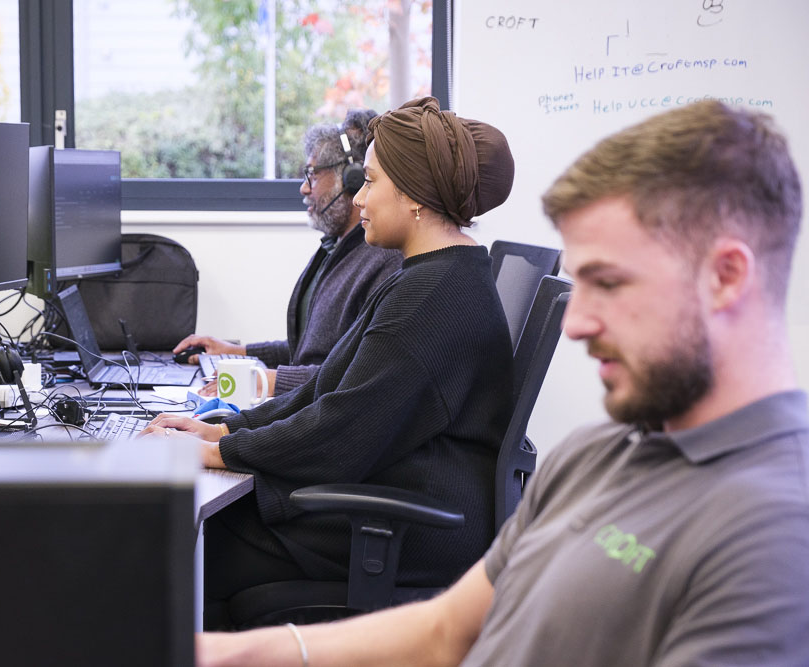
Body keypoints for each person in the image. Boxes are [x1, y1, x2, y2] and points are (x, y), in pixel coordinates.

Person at [194, 99, 809, 666]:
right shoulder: (587, 461)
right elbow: (442, 633)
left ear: (726, 278)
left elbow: (343, 425)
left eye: (612, 282)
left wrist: (221, 444)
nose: (579, 322)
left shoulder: (770, 537)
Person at [146, 97, 517, 629]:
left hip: (404, 526)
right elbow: (326, 389)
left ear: (413, 195)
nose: (358, 196)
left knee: (168, 547)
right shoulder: (426, 275)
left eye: (370, 181)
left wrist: (218, 452)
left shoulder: (433, 297)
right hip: (389, 494)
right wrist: (221, 428)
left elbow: (339, 433)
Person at [173, 109, 401, 397]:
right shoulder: (334, 250)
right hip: (301, 406)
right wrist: (237, 351)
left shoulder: (384, 261)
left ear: (351, 179)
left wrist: (263, 381)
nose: (304, 188)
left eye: (313, 175)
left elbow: (354, 377)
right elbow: (308, 350)